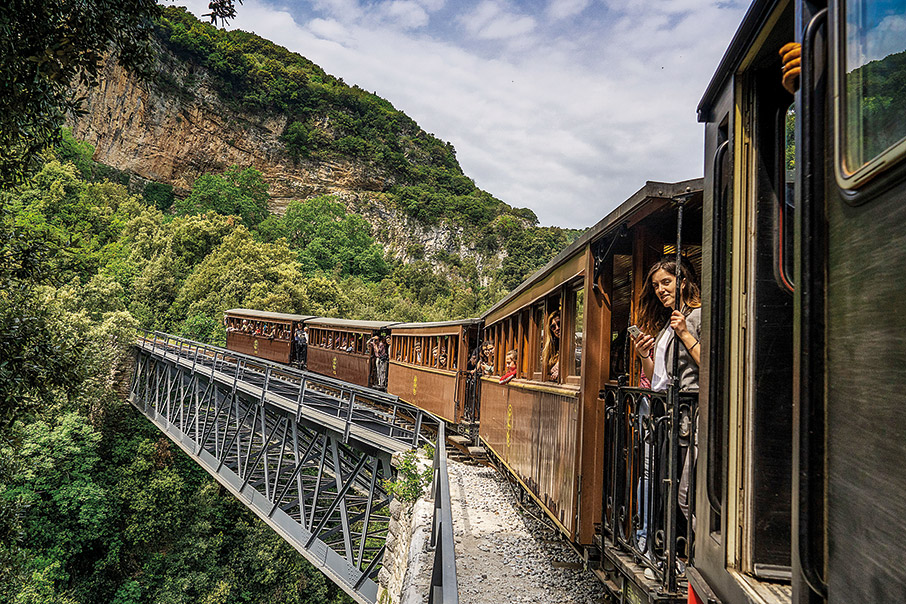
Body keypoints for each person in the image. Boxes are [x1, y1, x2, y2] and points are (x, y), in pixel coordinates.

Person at [629, 255, 702, 556]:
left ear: (683, 281)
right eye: (656, 285)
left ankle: (691, 556)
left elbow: (712, 365)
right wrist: (644, 354)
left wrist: (684, 333)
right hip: (665, 413)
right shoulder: (668, 323)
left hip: (689, 415)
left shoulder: (695, 316)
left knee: (684, 492)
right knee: (664, 485)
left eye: (666, 282)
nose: (660, 290)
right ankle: (660, 546)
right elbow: (656, 378)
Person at [541, 309, 561, 381]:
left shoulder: (572, 347)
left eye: (559, 324)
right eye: (553, 327)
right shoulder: (551, 349)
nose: (557, 328)